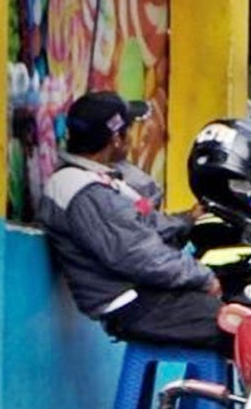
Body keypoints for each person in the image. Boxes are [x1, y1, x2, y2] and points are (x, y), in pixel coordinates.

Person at [38, 91, 223, 349]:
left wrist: (187, 220)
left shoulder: (96, 179)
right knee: (239, 324)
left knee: (240, 309)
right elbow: (139, 255)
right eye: (128, 131)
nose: (132, 139)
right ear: (116, 139)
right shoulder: (85, 191)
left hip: (141, 292)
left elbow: (141, 225)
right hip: (132, 303)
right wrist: (203, 277)